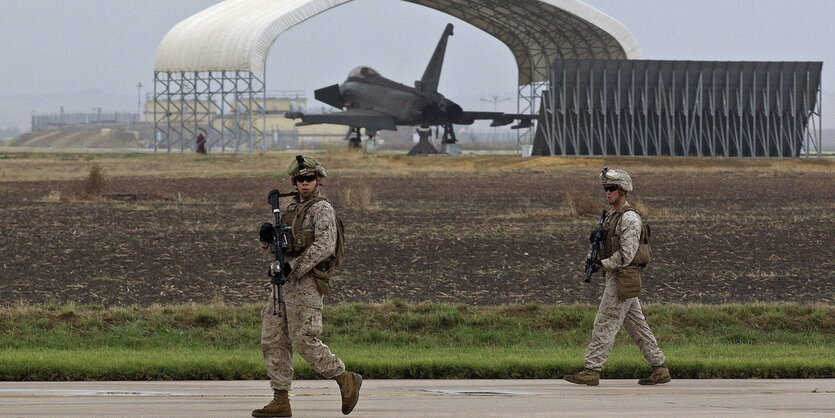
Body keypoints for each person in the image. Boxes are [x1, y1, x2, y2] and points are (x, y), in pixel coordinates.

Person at [253, 155, 361, 417]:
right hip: (284, 284)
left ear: (318, 180)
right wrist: (267, 239)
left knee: (304, 340)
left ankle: (344, 378)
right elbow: (281, 249)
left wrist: (295, 267)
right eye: (300, 179)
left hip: (308, 283)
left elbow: (325, 245)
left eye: (309, 178)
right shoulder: (289, 210)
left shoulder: (322, 209)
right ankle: (280, 399)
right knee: (273, 338)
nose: (304, 183)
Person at [564, 167, 670, 386]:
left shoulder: (630, 219)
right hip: (617, 276)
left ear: (622, 190)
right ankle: (660, 369)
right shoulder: (612, 216)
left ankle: (591, 370)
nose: (607, 192)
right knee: (637, 326)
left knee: (604, 322)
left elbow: (627, 255)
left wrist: (601, 263)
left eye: (611, 188)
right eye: (606, 189)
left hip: (623, 276)